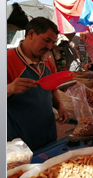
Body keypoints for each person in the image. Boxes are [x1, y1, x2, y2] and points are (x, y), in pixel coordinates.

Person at [7, 17, 69, 151]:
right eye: (47, 40)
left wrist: (60, 106)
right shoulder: (7, 61)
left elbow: (52, 90)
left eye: (52, 42)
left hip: (48, 134)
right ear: (31, 34)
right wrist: (9, 88)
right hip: (20, 141)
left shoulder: (47, 62)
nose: (49, 47)